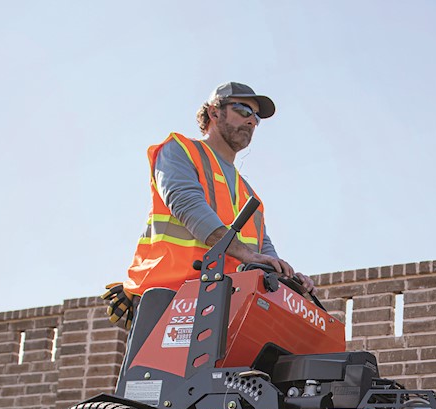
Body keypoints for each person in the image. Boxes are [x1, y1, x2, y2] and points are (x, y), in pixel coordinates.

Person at [104, 82, 312, 328]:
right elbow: (186, 203)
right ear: (214, 112)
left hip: (225, 305)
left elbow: (262, 248)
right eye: (244, 110)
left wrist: (286, 277)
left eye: (256, 117)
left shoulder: (248, 193)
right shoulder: (180, 151)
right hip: (170, 298)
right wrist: (244, 253)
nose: (252, 121)